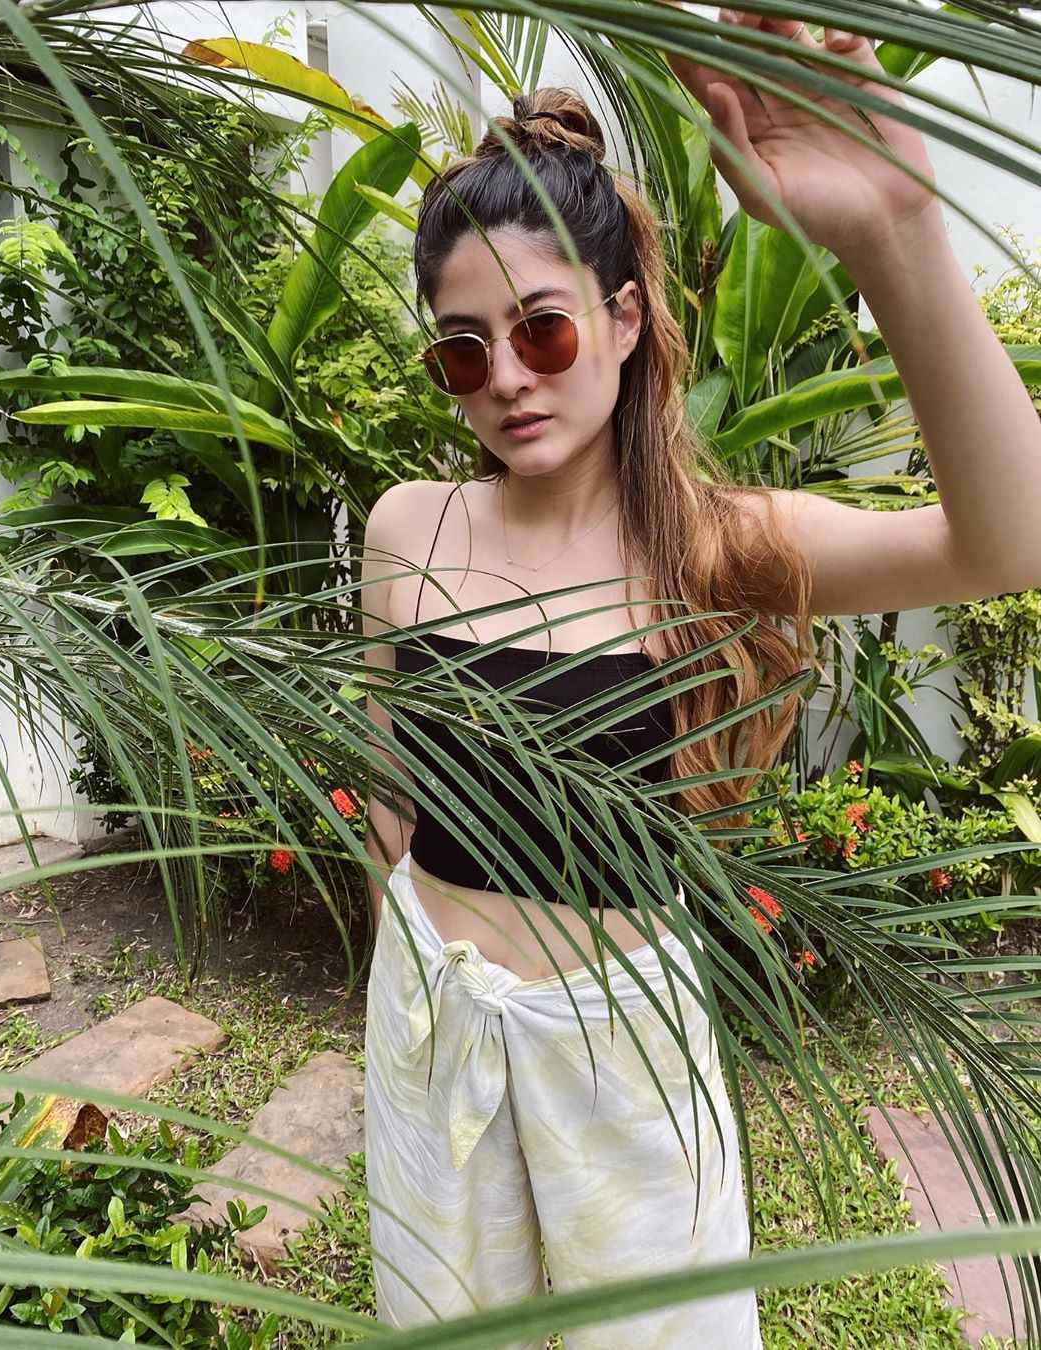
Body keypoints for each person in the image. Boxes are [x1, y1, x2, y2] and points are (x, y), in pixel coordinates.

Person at [358, 11, 1041, 1347]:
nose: (506, 380)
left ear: (623, 322)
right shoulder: (406, 529)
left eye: (543, 332)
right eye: (463, 350)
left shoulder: (717, 547)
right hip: (433, 1030)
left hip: (621, 1065)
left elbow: (1009, 540)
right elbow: (392, 787)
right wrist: (422, 965)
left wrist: (897, 232)